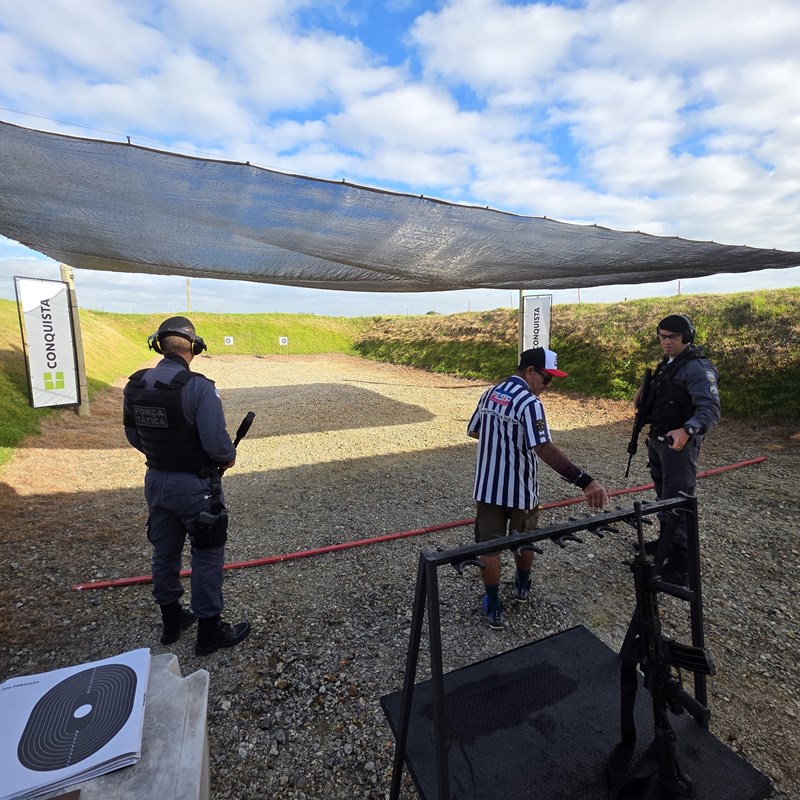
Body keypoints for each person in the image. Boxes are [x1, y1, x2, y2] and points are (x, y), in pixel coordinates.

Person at [123, 316, 251, 655]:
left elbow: (134, 435)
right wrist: (227, 457)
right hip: (195, 486)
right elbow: (217, 444)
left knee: (164, 553)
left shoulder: (135, 384)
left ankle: (171, 620)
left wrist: (162, 454)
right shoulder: (199, 387)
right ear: (194, 347)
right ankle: (209, 631)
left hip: (156, 480)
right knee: (207, 554)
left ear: (158, 345)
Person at [467, 347, 610, 629]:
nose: (548, 386)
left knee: (488, 548)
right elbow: (543, 447)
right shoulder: (530, 403)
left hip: (487, 488)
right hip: (521, 490)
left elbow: (474, 430)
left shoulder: (489, 394)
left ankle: (494, 605)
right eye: (546, 379)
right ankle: (521, 586)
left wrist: (500, 443)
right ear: (530, 371)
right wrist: (585, 480)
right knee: (525, 538)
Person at [638, 313, 720, 585]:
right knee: (664, 496)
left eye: (672, 337)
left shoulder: (697, 368)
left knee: (679, 501)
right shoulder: (667, 365)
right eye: (662, 337)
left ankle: (683, 564)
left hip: (679, 445)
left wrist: (688, 430)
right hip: (660, 440)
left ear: (687, 337)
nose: (666, 342)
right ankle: (667, 543)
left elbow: (709, 409)